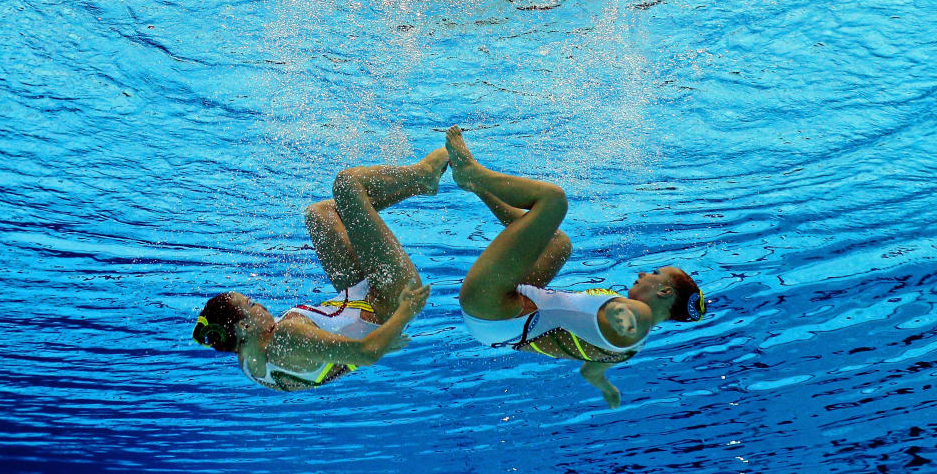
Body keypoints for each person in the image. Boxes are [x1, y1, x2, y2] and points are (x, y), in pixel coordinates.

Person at [445, 126, 705, 408]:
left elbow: (622, 314)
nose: (643, 274)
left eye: (655, 274)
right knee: (558, 243)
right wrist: (605, 387)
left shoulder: (638, 315)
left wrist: (622, 316)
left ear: (665, 291)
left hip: (493, 307)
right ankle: (476, 186)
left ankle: (472, 173)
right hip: (500, 325)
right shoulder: (629, 350)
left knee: (554, 201)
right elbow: (591, 370)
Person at [192, 149, 449, 391]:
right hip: (391, 298)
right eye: (251, 305)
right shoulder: (286, 337)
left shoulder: (250, 365)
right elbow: (366, 353)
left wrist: (374, 343)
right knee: (346, 184)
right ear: (244, 328)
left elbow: (337, 365)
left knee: (319, 214)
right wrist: (404, 313)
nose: (261, 305)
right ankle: (423, 175)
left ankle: (418, 186)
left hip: (357, 300)